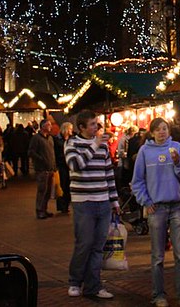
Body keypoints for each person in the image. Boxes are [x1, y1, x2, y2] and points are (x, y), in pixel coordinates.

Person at [131, 117, 180, 307]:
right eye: (157, 129)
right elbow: (137, 181)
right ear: (151, 133)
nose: (161, 132)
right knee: (158, 255)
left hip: (177, 205)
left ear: (169, 130)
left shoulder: (176, 148)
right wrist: (145, 201)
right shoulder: (145, 151)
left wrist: (177, 163)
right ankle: (158, 295)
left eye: (164, 128)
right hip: (156, 207)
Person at [65, 109, 120, 300]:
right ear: (81, 127)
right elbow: (75, 165)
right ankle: (74, 281)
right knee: (84, 244)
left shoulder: (103, 147)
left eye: (97, 123)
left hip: (102, 201)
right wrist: (95, 144)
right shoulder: (72, 143)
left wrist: (114, 200)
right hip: (83, 202)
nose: (96, 127)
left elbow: (108, 174)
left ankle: (94, 286)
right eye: (92, 124)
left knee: (98, 246)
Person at [29, 120, 57, 219]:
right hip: (42, 169)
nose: (50, 127)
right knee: (42, 190)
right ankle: (39, 210)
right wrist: (41, 159)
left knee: (48, 191)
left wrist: (53, 166)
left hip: (50, 169)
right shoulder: (36, 138)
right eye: (48, 125)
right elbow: (31, 152)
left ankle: (44, 209)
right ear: (42, 126)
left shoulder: (50, 138)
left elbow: (52, 153)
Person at [55, 121, 73, 214]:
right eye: (70, 129)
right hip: (62, 165)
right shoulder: (57, 139)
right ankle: (63, 206)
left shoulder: (71, 139)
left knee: (68, 185)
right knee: (62, 185)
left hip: (69, 165)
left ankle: (66, 205)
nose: (71, 131)